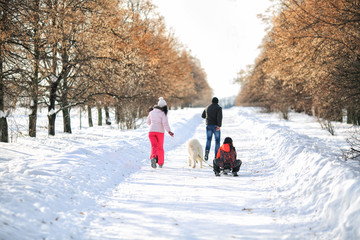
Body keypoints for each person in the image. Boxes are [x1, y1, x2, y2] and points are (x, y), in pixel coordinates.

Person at [147, 97, 174, 168]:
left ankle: (153, 157)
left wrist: (153, 124)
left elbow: (148, 122)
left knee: (153, 146)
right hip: (160, 132)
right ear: (164, 106)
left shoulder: (151, 112)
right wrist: (169, 131)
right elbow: (165, 123)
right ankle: (160, 162)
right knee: (160, 147)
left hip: (151, 131)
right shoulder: (163, 113)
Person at [201, 97, 222, 161]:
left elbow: (203, 116)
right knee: (217, 141)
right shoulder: (219, 108)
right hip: (216, 126)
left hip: (208, 125)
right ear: (217, 102)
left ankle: (206, 152)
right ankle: (216, 156)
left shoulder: (207, 107)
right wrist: (219, 125)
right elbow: (219, 117)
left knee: (208, 140)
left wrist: (208, 118)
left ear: (212, 101)